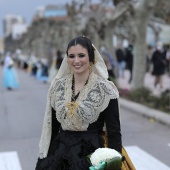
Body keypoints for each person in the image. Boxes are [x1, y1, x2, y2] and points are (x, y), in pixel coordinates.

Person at [35, 36, 122, 170]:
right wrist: (46, 160)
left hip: (91, 156)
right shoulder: (57, 87)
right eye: (71, 56)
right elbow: (52, 128)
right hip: (60, 154)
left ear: (91, 58)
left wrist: (113, 164)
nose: (76, 60)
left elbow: (114, 132)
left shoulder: (106, 89)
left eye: (81, 55)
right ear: (67, 59)